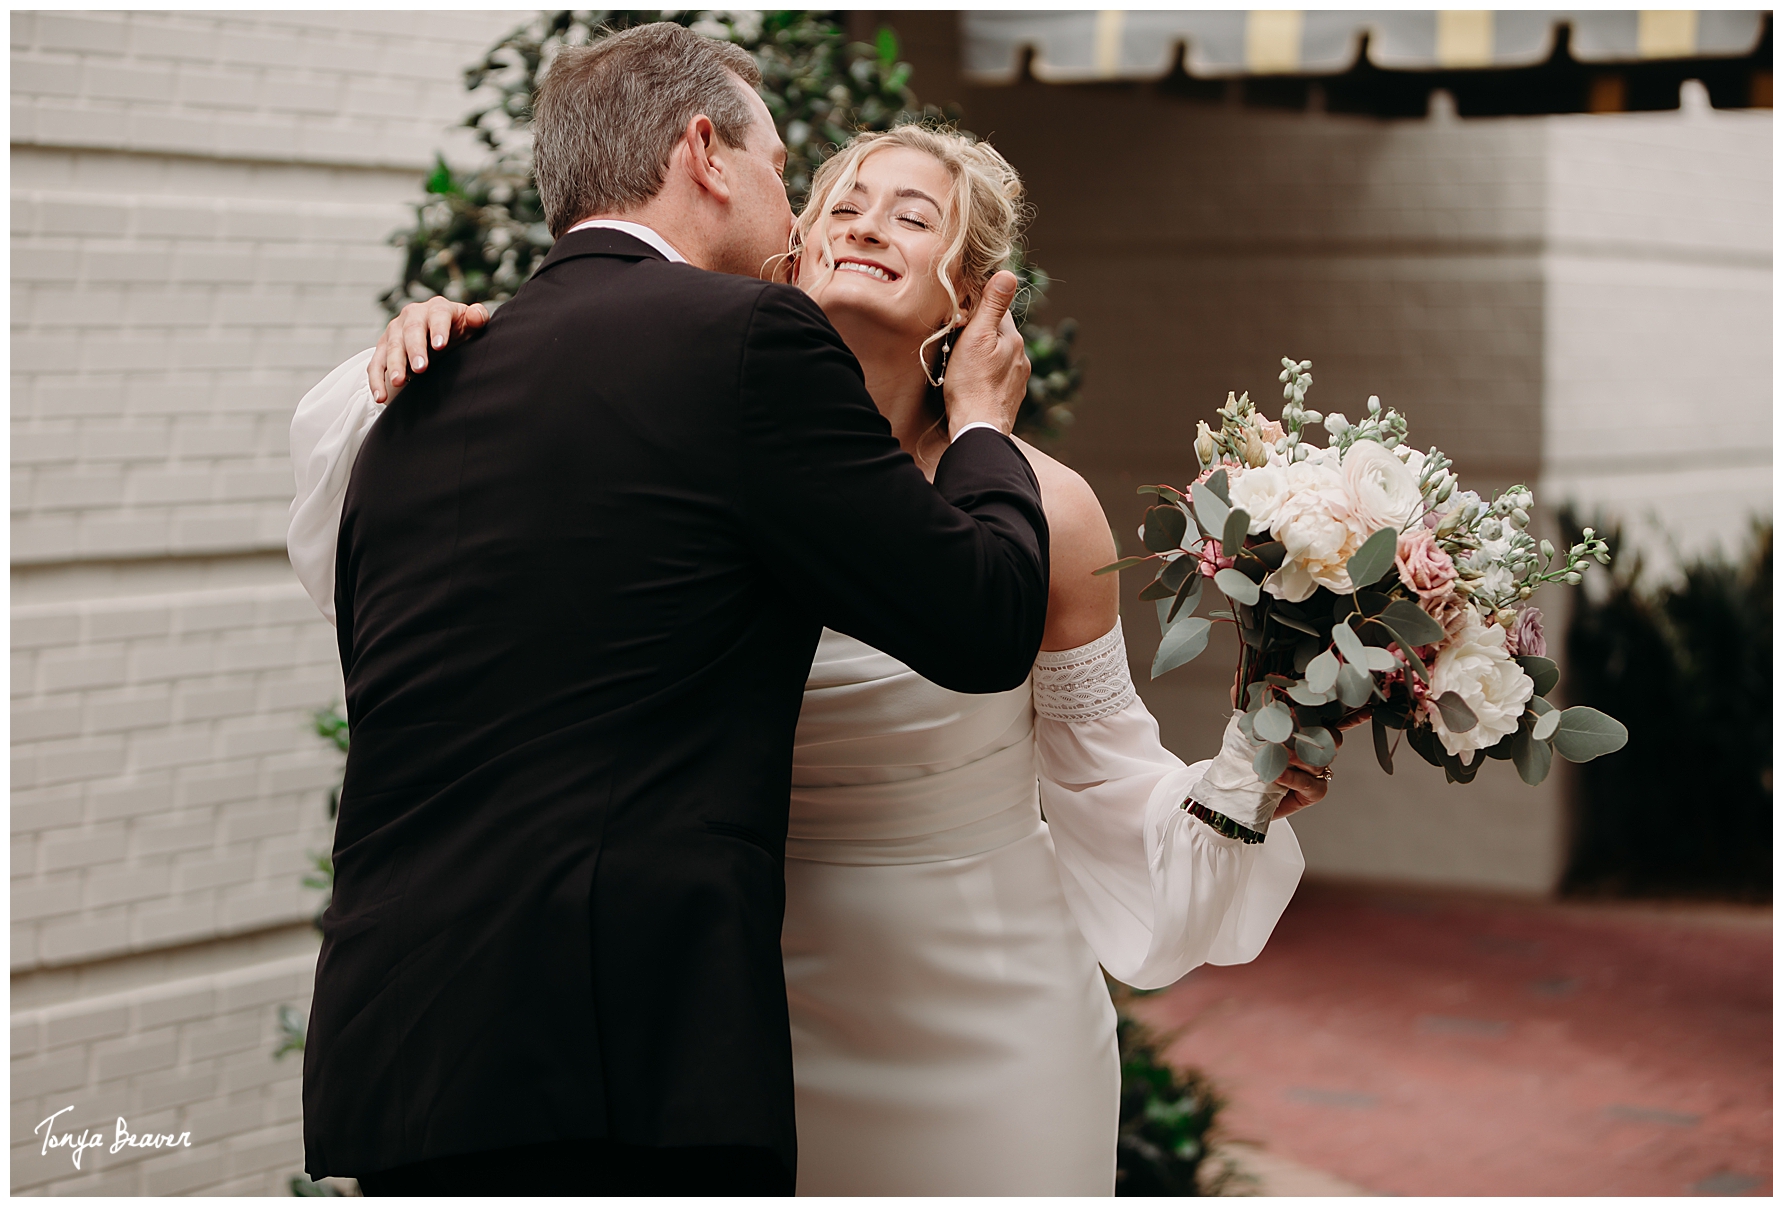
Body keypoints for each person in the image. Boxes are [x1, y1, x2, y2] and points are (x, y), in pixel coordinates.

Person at [296, 111, 1337, 1193]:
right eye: (841, 203)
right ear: (790, 250)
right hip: (728, 1000)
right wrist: (458, 344)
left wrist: (1239, 785)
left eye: (913, 215)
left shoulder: (1046, 506)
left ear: (978, 291)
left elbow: (1102, 771)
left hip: (983, 1003)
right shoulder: (679, 445)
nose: (867, 226)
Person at [289, 24, 1056, 1196]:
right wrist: (986, 422)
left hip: (393, 1053)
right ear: (706, 152)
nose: (801, 211)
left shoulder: (407, 391)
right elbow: (987, 620)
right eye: (781, 166)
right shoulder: (746, 336)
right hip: (621, 1059)